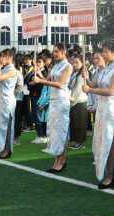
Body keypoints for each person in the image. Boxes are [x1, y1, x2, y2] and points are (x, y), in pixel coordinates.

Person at [83, 41, 114, 189]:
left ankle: (111, 175)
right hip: (101, 108)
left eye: (106, 51)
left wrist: (90, 90)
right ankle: (105, 171)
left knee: (111, 142)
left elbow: (110, 91)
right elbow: (93, 84)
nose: (103, 54)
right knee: (101, 141)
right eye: (103, 51)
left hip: (111, 109)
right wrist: (86, 77)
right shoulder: (103, 69)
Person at [34, 43, 73, 173]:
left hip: (62, 101)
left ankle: (62, 160)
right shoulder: (55, 66)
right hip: (53, 101)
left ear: (63, 52)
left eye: (57, 51)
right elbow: (48, 79)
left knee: (61, 131)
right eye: (54, 51)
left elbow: (60, 84)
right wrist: (38, 74)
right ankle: (57, 159)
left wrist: (42, 81)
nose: (54, 54)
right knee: (54, 131)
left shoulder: (68, 66)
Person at [68, 54, 88, 150]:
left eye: (77, 62)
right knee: (74, 122)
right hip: (73, 101)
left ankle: (80, 142)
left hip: (79, 101)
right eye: (73, 62)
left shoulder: (82, 74)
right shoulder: (75, 73)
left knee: (80, 123)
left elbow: (78, 89)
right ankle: (75, 141)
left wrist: (72, 99)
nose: (74, 64)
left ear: (82, 63)